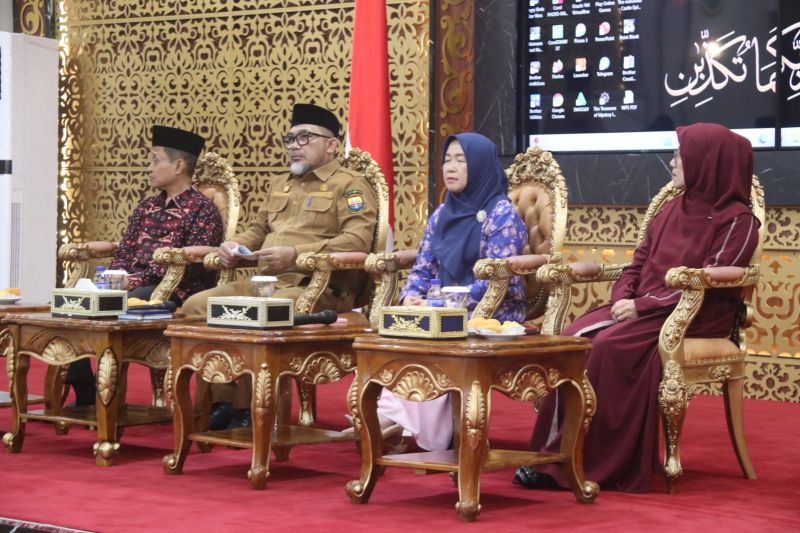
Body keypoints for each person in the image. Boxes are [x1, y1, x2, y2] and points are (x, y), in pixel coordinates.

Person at [514, 122, 761, 493]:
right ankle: (554, 455)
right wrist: (624, 298)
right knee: (570, 339)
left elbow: (707, 283)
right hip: (646, 307)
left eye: (682, 155)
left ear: (708, 162)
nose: (673, 162)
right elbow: (638, 263)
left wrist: (642, 305)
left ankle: (594, 463)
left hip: (693, 316)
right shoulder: (672, 209)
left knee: (609, 348)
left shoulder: (738, 222)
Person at [181, 103, 379, 430]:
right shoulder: (281, 182)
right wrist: (233, 245)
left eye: (305, 137)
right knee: (196, 307)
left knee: (257, 314)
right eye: (290, 139)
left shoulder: (351, 185)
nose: (295, 145)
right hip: (265, 282)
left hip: (318, 290)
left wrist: (297, 254)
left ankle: (249, 409)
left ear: (332, 145)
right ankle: (223, 400)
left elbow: (356, 242)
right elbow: (258, 230)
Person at [375, 132, 528, 451]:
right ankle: (396, 419)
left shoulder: (501, 214)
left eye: (461, 160)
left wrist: (439, 301)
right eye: (447, 160)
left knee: (436, 331)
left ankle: (400, 423)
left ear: (481, 166)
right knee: (407, 327)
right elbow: (423, 266)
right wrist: (411, 298)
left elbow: (494, 279)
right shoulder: (441, 214)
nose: (451, 167)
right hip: (441, 307)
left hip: (492, 312)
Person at [66, 125, 225, 406]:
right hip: (133, 286)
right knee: (71, 306)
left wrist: (133, 282)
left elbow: (186, 265)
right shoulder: (147, 206)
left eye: (154, 160)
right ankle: (85, 387)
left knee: (114, 307)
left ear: (178, 166)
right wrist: (113, 277)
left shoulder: (203, 209)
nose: (148, 168)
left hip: (174, 292)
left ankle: (105, 398)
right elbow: (125, 251)